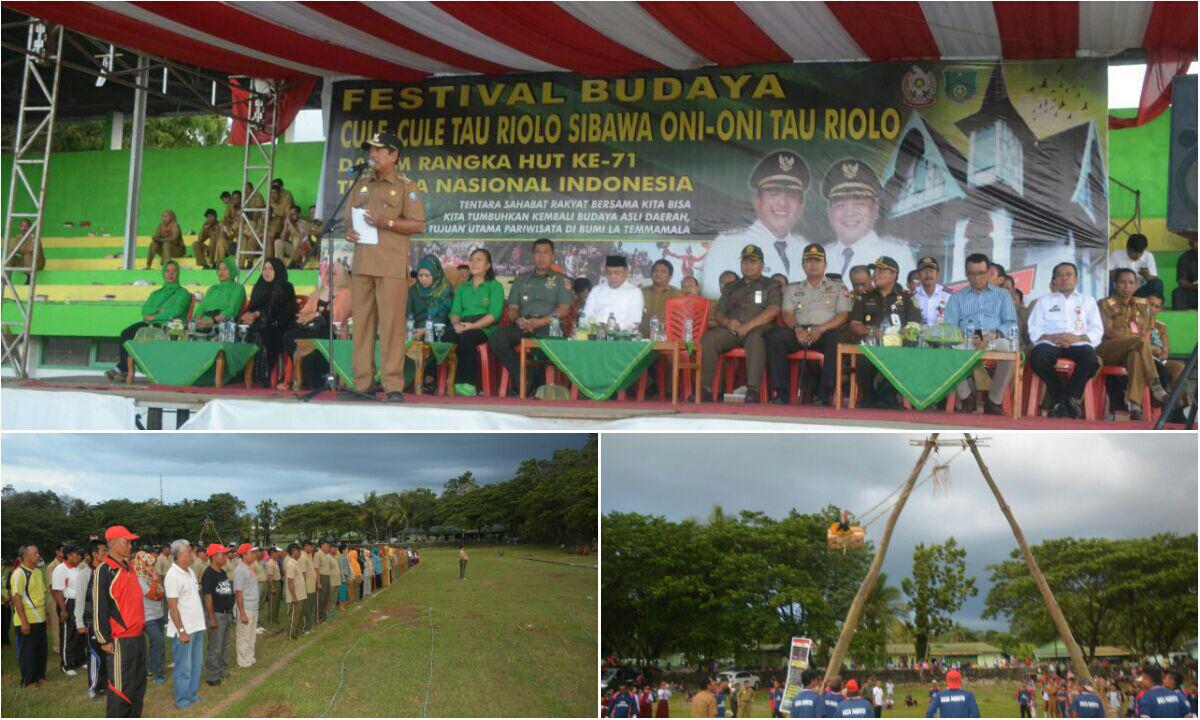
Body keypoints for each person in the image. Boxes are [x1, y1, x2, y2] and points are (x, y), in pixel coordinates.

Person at [345, 131, 426, 402]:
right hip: (362, 266)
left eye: (379, 149)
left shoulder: (407, 186)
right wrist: (349, 232)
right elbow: (349, 220)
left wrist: (388, 222)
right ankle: (363, 383)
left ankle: (393, 385)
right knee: (363, 327)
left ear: (394, 155)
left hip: (391, 266)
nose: (373, 154)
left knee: (391, 328)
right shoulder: (361, 183)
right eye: (371, 149)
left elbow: (418, 224)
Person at [703, 150, 811, 298]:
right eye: (773, 193)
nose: (782, 203)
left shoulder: (805, 247)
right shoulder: (727, 244)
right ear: (758, 201)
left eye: (791, 195)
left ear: (800, 205)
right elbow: (713, 297)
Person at [764, 243, 852, 405]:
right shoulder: (793, 288)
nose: (813, 265)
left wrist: (821, 329)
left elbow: (843, 315)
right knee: (775, 336)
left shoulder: (838, 287)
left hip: (825, 332)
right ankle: (781, 392)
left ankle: (824, 394)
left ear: (825, 265)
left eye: (817, 261)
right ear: (803, 265)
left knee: (837, 339)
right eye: (809, 261)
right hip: (799, 331)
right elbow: (787, 313)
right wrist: (797, 329)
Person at [488, 238, 573, 395]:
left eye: (545, 253)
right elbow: (512, 308)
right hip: (524, 324)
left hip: (548, 325)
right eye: (538, 253)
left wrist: (540, 322)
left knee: (549, 349)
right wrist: (517, 320)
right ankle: (525, 375)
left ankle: (529, 381)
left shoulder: (562, 280)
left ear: (553, 256)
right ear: (532, 256)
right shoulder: (521, 280)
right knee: (496, 339)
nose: (541, 257)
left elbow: (563, 310)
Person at [700, 244, 781, 402]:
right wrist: (729, 322)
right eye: (745, 262)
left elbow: (773, 310)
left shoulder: (771, 285)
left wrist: (748, 326)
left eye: (753, 262)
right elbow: (718, 313)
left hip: (757, 329)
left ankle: (752, 390)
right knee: (709, 338)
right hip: (732, 330)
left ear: (762, 265)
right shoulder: (731, 286)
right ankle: (705, 389)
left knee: (755, 339)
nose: (748, 266)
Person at [943, 253, 1019, 415]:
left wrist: (994, 335)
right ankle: (966, 396)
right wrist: (966, 337)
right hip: (966, 338)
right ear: (966, 273)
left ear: (988, 272)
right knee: (944, 348)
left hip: (994, 337)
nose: (977, 278)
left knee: (1011, 347)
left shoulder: (1003, 295)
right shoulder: (957, 297)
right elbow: (949, 327)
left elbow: (1011, 323)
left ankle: (994, 400)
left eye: (981, 273)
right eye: (972, 274)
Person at [1027, 262, 1103, 419]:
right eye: (1059, 275)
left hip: (1078, 342)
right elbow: (1034, 328)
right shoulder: (1043, 301)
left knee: (1090, 359)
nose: (1064, 278)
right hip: (1051, 342)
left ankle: (1060, 401)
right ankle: (1066, 399)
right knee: (1037, 357)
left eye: (1068, 275)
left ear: (1076, 279)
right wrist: (1051, 337)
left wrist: (1077, 338)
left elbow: (1097, 330)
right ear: (1053, 281)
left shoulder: (1088, 301)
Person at [821, 159, 914, 286]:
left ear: (875, 209)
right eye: (840, 204)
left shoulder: (897, 254)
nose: (849, 213)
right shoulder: (819, 259)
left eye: (859, 204)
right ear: (829, 211)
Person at [848, 256, 922, 408]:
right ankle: (869, 396)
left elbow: (914, 326)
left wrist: (895, 336)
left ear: (894, 274)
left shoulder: (907, 298)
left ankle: (888, 397)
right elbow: (855, 324)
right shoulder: (865, 297)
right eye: (875, 270)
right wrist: (872, 331)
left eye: (882, 271)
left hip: (897, 345)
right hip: (871, 343)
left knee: (908, 348)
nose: (876, 274)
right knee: (863, 355)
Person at [1098, 269, 1169, 420]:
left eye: (1131, 282)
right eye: (1122, 282)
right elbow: (1110, 331)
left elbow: (1147, 330)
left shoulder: (1143, 305)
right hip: (1108, 349)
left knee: (1135, 356)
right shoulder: (1105, 304)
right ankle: (1156, 385)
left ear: (1137, 285)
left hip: (1135, 349)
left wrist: (1139, 340)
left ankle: (1134, 405)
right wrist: (1139, 340)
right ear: (1115, 285)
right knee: (1141, 341)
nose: (1127, 286)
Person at [93, 526, 147, 718]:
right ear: (114, 543)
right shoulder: (105, 570)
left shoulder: (129, 568)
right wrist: (103, 639)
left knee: (138, 686)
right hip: (120, 640)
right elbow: (99, 606)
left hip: (138, 637)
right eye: (127, 542)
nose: (131, 545)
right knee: (120, 690)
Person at [107, 260, 192, 381]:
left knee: (145, 334)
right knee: (126, 333)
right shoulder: (156, 293)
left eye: (174, 271)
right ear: (163, 273)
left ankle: (122, 368)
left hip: (169, 326)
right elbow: (145, 309)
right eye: (167, 271)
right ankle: (125, 368)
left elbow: (176, 311)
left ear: (178, 273)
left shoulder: (183, 293)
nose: (170, 274)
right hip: (150, 324)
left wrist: (155, 315)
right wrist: (160, 310)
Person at [280, 260, 352, 390]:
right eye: (328, 273)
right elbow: (305, 312)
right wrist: (303, 316)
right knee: (288, 336)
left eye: (334, 274)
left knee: (310, 343)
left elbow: (336, 316)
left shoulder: (346, 293)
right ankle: (301, 374)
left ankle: (313, 377)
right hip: (315, 330)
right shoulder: (319, 292)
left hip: (332, 332)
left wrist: (316, 315)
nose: (329, 277)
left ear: (342, 277)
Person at [448, 247, 504, 395]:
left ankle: (467, 384)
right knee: (443, 336)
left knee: (467, 337)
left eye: (478, 260)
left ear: (488, 266)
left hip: (484, 327)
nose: (473, 263)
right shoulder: (463, 287)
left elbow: (494, 315)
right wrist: (456, 325)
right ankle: (440, 382)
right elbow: (455, 312)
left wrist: (471, 326)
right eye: (472, 260)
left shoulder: (494, 286)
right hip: (463, 324)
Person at [242, 257, 296, 387]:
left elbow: (276, 309)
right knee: (243, 331)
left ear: (278, 270)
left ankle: (262, 376)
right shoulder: (259, 286)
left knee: (260, 334)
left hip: (279, 326)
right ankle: (242, 374)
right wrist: (248, 315)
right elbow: (252, 307)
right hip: (260, 323)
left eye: (271, 269)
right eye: (264, 269)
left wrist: (257, 314)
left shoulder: (285, 286)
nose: (267, 272)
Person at [163, 540, 205, 709]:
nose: (192, 555)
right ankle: (182, 700)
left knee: (196, 664)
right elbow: (172, 607)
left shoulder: (189, 571)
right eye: (189, 552)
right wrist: (181, 631)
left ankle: (191, 694)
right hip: (184, 630)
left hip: (197, 627)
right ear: (180, 555)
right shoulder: (172, 576)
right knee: (183, 667)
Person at [409, 254, 456, 391]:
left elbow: (444, 316)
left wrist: (426, 329)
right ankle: (405, 381)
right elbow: (408, 313)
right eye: (420, 275)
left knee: (439, 336)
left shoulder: (445, 290)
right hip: (415, 329)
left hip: (439, 327)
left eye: (427, 275)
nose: (423, 279)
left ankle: (428, 379)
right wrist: (411, 328)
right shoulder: (413, 290)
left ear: (436, 274)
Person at [11, 544, 48, 688]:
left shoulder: (38, 572)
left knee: (40, 650)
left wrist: (46, 615)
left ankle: (39, 676)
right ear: (25, 557)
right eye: (35, 553)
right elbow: (16, 598)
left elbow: (41, 596)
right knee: (27, 652)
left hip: (40, 618)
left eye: (38, 553)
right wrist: (24, 622)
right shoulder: (19, 573)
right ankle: (28, 680)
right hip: (27, 620)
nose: (38, 555)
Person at [199, 543, 233, 687]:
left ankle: (222, 670)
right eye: (222, 554)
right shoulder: (208, 574)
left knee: (225, 645)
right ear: (213, 557)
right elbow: (207, 597)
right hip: (217, 614)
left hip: (227, 614)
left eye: (225, 554)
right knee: (215, 647)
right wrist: (211, 617)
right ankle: (212, 676)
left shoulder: (222, 572)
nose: (225, 557)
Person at [582, 254, 644, 331]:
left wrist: (616, 327)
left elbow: (635, 319)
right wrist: (597, 326)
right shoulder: (596, 290)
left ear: (626, 272)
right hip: (596, 334)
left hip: (622, 337)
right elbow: (586, 314)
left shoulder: (635, 292)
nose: (613, 276)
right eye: (609, 273)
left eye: (617, 273)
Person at [132, 548, 165, 685]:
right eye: (149, 564)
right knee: (159, 643)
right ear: (141, 563)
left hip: (158, 614)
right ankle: (158, 674)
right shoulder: (138, 579)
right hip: (147, 617)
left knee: (154, 644)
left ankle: (150, 669)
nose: (152, 567)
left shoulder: (150, 577)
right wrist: (156, 579)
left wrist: (155, 585)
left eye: (152, 564)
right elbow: (152, 595)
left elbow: (162, 594)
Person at [81, 540, 108, 699]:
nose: (106, 554)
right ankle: (94, 689)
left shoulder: (106, 571)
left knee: (106, 655)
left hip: (105, 620)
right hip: (92, 621)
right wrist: (80, 623)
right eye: (103, 551)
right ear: (94, 554)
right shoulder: (85, 573)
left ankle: (105, 685)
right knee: (95, 655)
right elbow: (80, 599)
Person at [51, 545, 83, 676]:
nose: (79, 557)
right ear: (69, 556)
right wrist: (63, 610)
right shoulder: (60, 569)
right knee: (68, 634)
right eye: (76, 555)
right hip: (67, 603)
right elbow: (57, 591)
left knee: (79, 632)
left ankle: (79, 660)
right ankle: (66, 664)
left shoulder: (77, 569)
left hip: (78, 602)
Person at [193, 256, 246, 326]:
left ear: (232, 270)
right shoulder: (213, 288)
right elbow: (202, 307)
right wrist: (199, 320)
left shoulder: (238, 288)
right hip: (203, 322)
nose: (221, 272)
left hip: (222, 325)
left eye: (225, 269)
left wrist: (211, 321)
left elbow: (232, 311)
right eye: (219, 269)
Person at [230, 545, 259, 668]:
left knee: (251, 634)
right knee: (243, 635)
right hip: (245, 607)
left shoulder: (248, 568)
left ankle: (249, 656)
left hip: (253, 606)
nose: (254, 555)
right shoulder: (240, 570)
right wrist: (241, 612)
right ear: (244, 555)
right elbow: (238, 592)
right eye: (251, 553)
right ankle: (242, 660)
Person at [1109, 233, 1163, 299]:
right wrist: (1119, 273)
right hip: (1121, 290)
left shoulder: (1148, 256)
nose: (1138, 256)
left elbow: (1154, 278)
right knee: (1110, 283)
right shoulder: (1116, 255)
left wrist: (1147, 276)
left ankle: (1154, 306)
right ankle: (1113, 305)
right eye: (1135, 252)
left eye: (1141, 253)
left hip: (1138, 292)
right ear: (1128, 248)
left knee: (1157, 283)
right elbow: (1106, 274)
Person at [642, 259, 682, 337]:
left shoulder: (678, 295)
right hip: (640, 340)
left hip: (667, 341)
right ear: (651, 274)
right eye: (656, 271)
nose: (658, 274)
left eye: (663, 271)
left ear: (670, 276)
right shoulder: (641, 292)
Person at [913, 257, 951, 326]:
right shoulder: (912, 296)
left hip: (943, 336)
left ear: (937, 273)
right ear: (918, 275)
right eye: (924, 271)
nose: (928, 274)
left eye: (931, 271)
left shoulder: (948, 296)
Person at [283, 544, 307, 639]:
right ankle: (290, 635)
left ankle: (297, 632)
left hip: (300, 594)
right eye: (299, 551)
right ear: (293, 551)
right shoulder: (290, 564)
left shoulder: (295, 563)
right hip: (295, 595)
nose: (300, 553)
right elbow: (290, 581)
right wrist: (293, 596)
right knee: (294, 616)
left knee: (299, 615)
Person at [1172, 235, 1197, 310]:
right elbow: (1181, 281)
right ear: (1191, 244)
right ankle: (1178, 319)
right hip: (1193, 291)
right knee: (1178, 293)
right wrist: (1195, 287)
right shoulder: (1185, 258)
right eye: (1196, 241)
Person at [300, 542, 320, 630]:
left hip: (311, 587)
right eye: (310, 546)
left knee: (310, 607)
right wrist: (303, 588)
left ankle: (309, 625)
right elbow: (303, 573)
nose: (312, 548)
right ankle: (305, 628)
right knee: (307, 609)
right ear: (306, 546)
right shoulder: (303, 557)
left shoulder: (309, 556)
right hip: (307, 587)